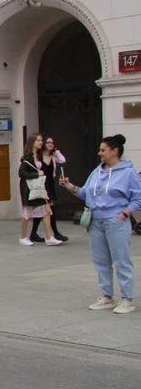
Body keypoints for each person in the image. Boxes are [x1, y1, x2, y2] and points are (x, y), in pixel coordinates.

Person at [62, 134, 141, 314]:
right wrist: (69, 187)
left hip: (116, 221)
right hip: (95, 221)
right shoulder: (97, 171)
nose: (100, 153)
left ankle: (127, 298)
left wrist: (125, 214)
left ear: (114, 151)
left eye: (103, 150)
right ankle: (106, 296)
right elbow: (85, 193)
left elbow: (137, 197)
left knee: (122, 261)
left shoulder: (128, 173)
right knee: (101, 261)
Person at [18, 133, 63, 246]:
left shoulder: (39, 156)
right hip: (28, 188)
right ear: (32, 142)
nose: (40, 142)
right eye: (38, 140)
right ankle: (23, 237)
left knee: (47, 210)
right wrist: (36, 174)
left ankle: (49, 237)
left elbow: (61, 160)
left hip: (40, 187)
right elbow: (21, 173)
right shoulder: (27, 157)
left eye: (41, 140)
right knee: (26, 212)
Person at [30, 137, 68, 243]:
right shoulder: (38, 156)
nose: (50, 144)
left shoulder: (53, 156)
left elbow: (63, 160)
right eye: (48, 142)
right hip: (41, 184)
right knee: (45, 209)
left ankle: (34, 234)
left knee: (46, 209)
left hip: (50, 184)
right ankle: (54, 233)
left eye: (52, 143)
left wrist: (56, 151)